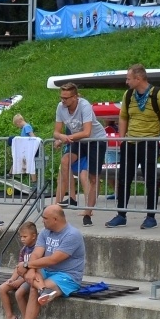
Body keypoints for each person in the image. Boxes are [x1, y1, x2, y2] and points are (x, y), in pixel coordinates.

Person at [111, 64, 160, 229]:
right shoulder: (128, 95)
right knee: (123, 179)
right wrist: (122, 139)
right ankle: (121, 215)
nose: (126, 82)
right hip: (130, 143)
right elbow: (123, 117)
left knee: (150, 180)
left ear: (138, 79)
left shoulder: (159, 95)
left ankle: (151, 217)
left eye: (128, 79)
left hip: (149, 143)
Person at [4, 204, 84, 319]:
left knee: (32, 287)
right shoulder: (45, 232)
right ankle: (44, 290)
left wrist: (27, 266)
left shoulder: (72, 235)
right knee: (26, 271)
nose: (42, 221)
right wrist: (30, 269)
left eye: (45, 218)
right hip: (46, 272)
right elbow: (36, 254)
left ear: (55, 219)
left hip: (67, 276)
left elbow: (54, 259)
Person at [54, 82, 108, 223]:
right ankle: (66, 201)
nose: (63, 100)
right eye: (61, 97)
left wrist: (66, 137)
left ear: (75, 97)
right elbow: (56, 132)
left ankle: (88, 213)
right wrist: (61, 137)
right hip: (78, 140)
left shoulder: (84, 106)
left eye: (66, 98)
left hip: (96, 140)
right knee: (65, 161)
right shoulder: (60, 107)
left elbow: (87, 132)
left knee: (93, 177)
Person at [0, 221, 40, 319]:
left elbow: (36, 270)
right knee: (2, 288)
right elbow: (19, 266)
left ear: (34, 236)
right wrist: (12, 279)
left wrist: (20, 281)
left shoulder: (38, 250)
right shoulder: (24, 250)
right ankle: (10, 316)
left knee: (19, 293)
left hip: (33, 277)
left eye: (25, 236)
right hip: (22, 277)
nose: (22, 239)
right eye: (21, 237)